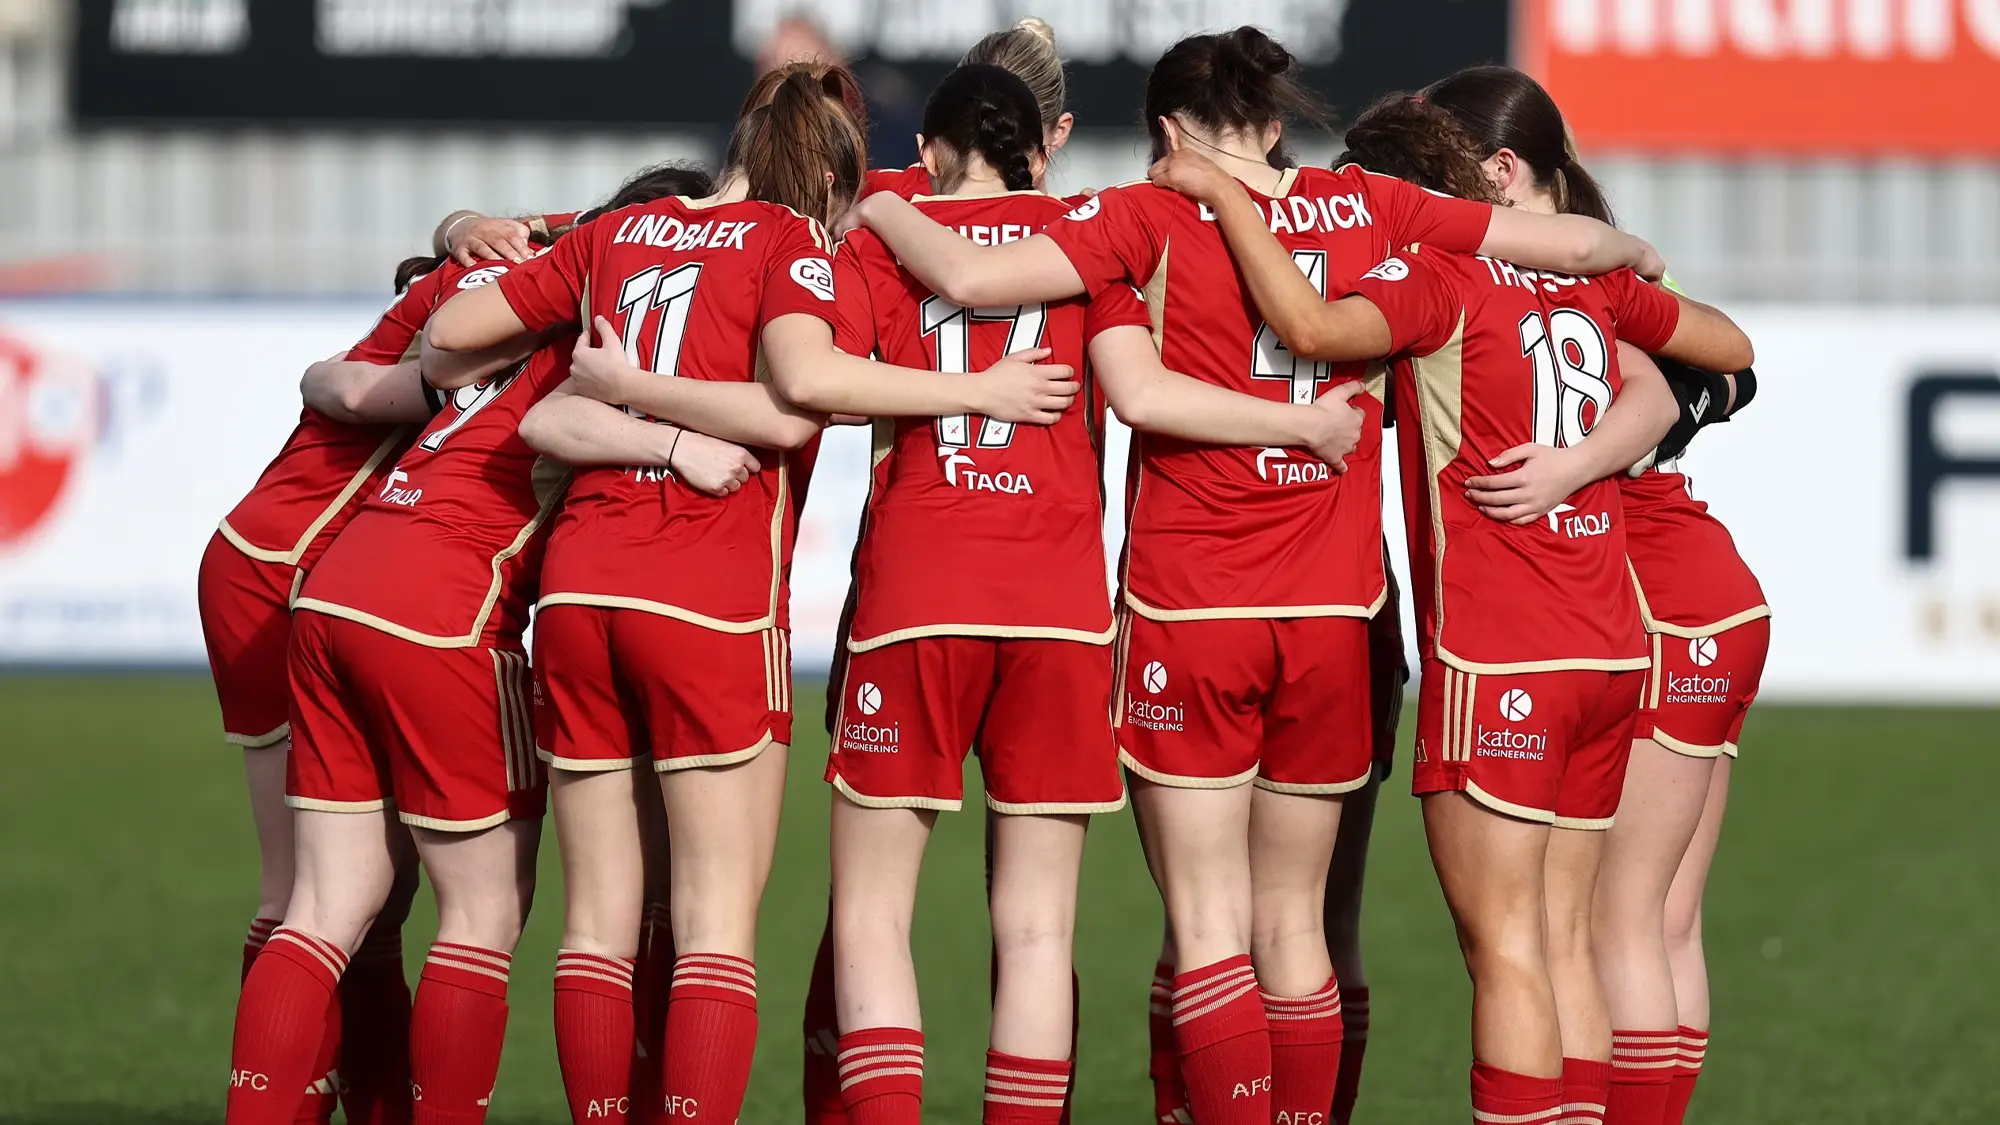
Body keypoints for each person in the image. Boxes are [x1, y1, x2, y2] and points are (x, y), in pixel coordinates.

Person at [840, 26, 1666, 1125]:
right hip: (1333, 607)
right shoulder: (1369, 203)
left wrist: (877, 202)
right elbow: (1555, 246)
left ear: (1167, 133)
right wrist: (1631, 259)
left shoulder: (1145, 214)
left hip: (1195, 602)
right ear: (1273, 125)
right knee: (1300, 929)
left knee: (1211, 925)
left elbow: (972, 275)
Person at [426, 61, 1077, 1125]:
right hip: (708, 602)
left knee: (593, 920)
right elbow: (796, 395)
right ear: (827, 175)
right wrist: (973, 391)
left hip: (581, 590)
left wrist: (472, 227)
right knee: (715, 927)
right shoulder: (796, 249)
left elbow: (454, 334)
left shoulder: (613, 235)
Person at [1147, 89, 1753, 1125]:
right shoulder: (1580, 283)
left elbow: (1305, 321)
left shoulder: (1435, 278)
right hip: (1608, 649)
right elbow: (1724, 347)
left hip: (1500, 652)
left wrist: (1219, 194)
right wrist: (1623, 268)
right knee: (1570, 938)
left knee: (1510, 949)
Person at [1406, 67, 1770, 1125]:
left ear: (1501, 170)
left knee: (1606, 925)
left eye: (1437, 172)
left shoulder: (1538, 278)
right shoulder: (1591, 258)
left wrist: (1569, 467)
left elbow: (1666, 380)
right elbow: (1723, 365)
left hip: (1640, 598)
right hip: (1702, 591)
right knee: (1658, 922)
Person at [200, 247, 465, 1125]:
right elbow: (347, 393)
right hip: (286, 573)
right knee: (311, 893)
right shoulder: (516, 297)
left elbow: (337, 375)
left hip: (306, 567)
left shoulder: (499, 261)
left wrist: (463, 222)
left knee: (371, 893)